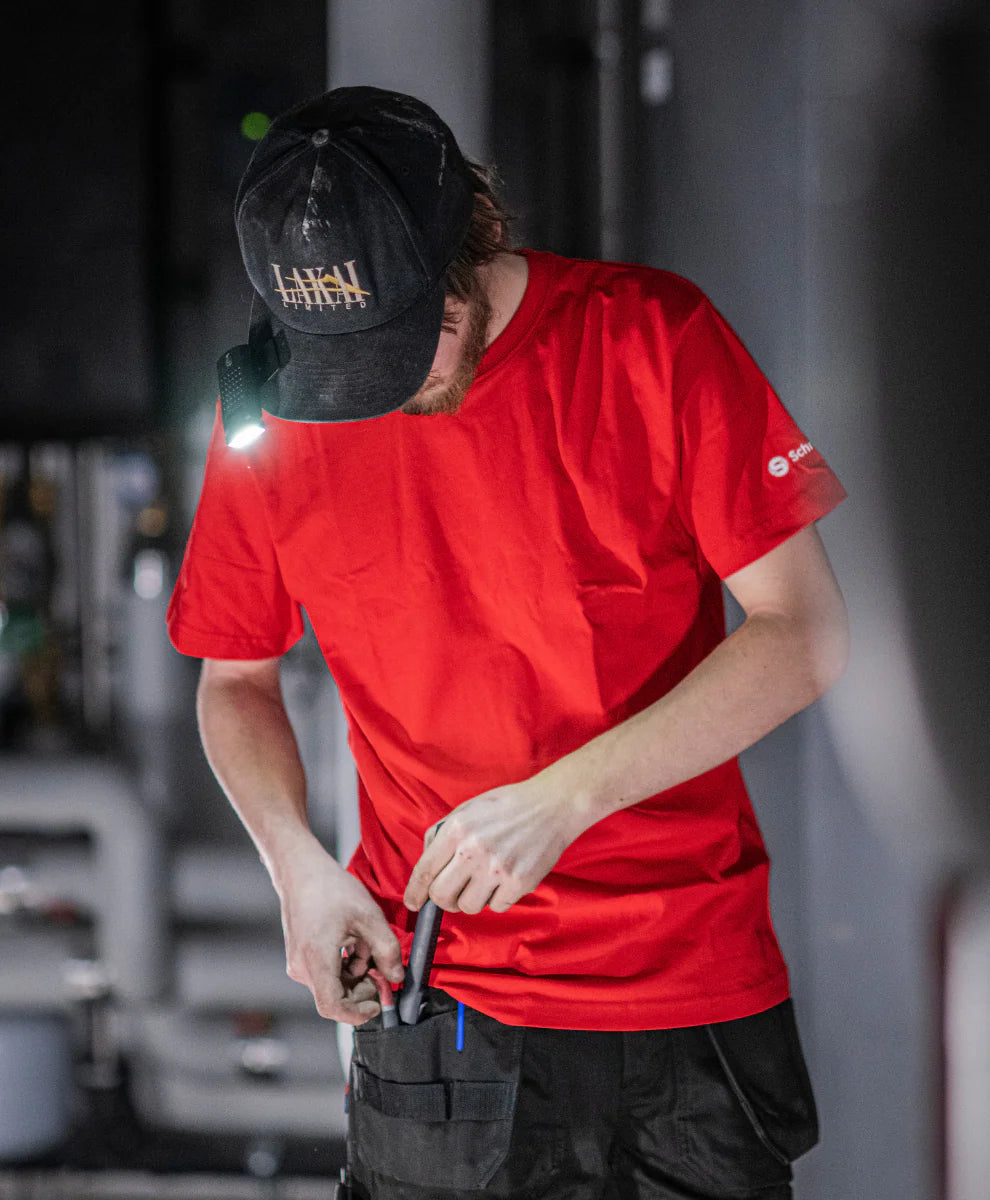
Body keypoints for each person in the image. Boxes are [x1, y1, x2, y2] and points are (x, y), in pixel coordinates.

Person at [167, 86, 848, 1200]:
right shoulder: (276, 411)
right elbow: (234, 678)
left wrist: (564, 800)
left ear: (475, 232)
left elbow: (804, 635)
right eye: (350, 357)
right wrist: (298, 868)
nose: (393, 385)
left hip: (688, 997)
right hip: (442, 1005)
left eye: (412, 337)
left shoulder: (651, 336)